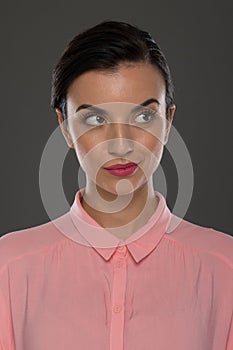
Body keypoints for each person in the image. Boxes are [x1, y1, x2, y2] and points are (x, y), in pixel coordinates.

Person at [0, 20, 232, 350]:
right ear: (64, 127)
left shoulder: (225, 268)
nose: (121, 144)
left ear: (168, 122)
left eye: (143, 117)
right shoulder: (8, 268)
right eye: (95, 119)